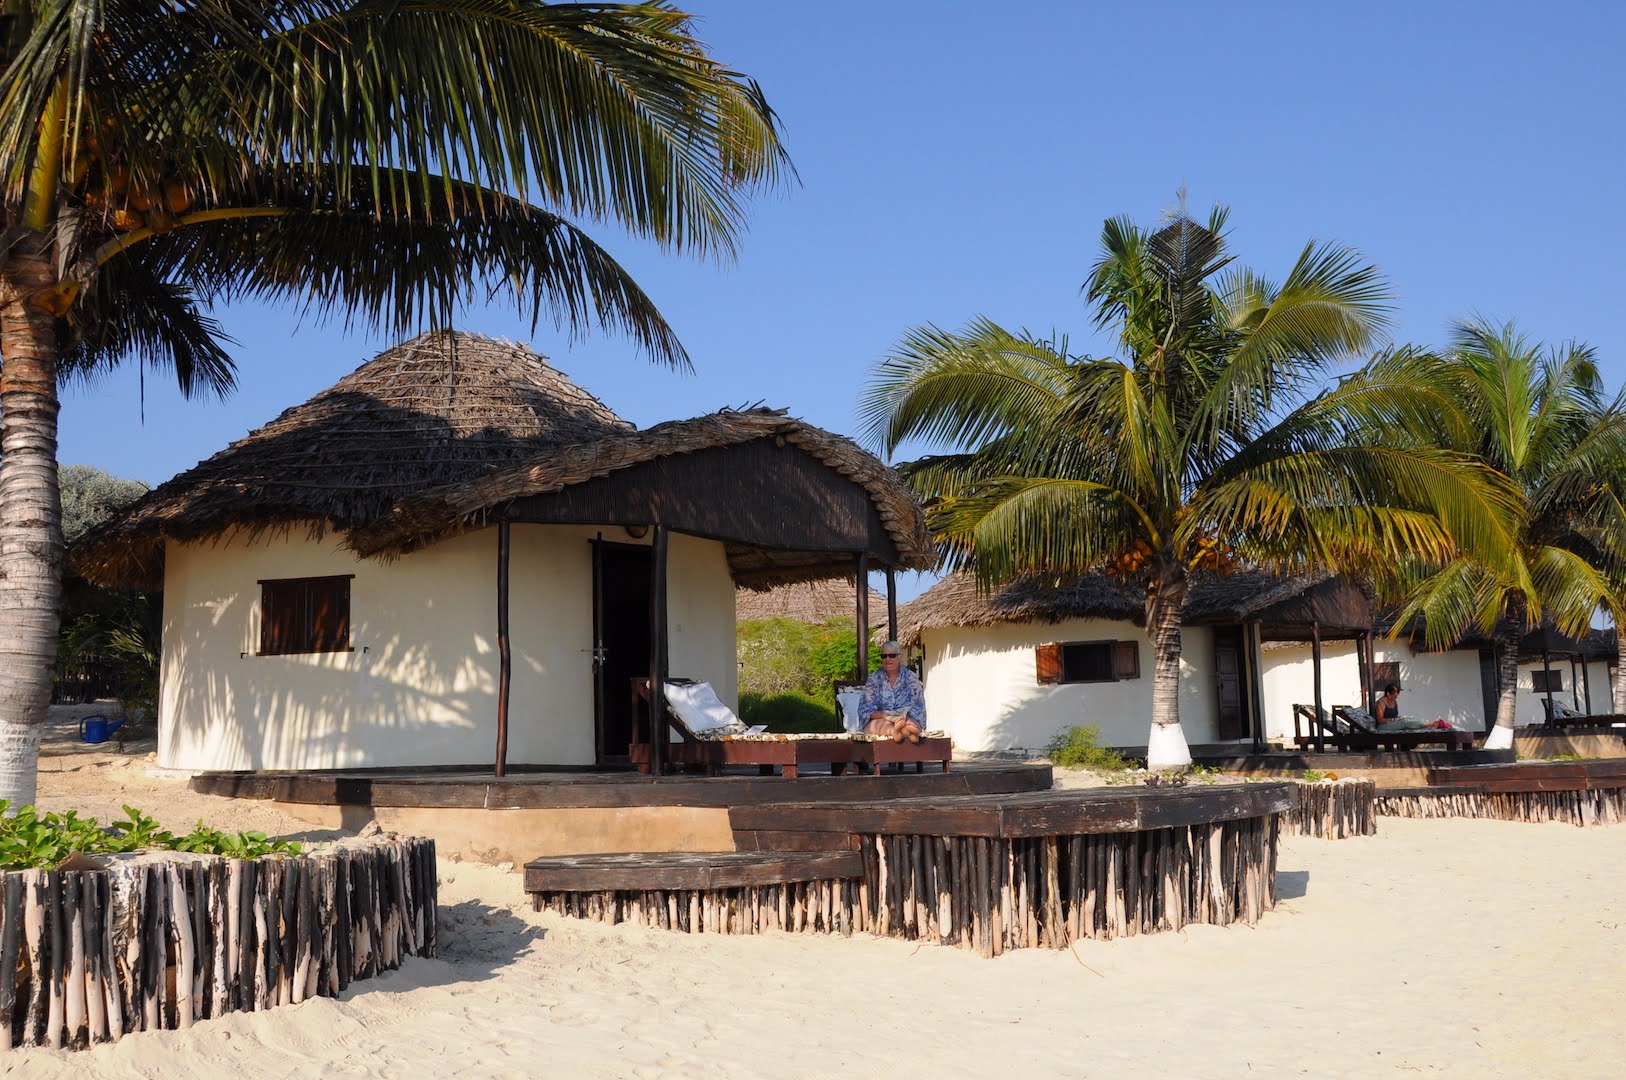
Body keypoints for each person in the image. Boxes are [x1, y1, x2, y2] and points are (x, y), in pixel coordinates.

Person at [858, 640, 926, 743]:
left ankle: (911, 731)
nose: (887, 659)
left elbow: (918, 705)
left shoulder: (911, 678)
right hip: (883, 719)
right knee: (874, 726)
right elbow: (866, 709)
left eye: (892, 655)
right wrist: (886, 716)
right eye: (884, 656)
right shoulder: (874, 679)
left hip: (906, 718)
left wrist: (904, 717)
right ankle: (896, 732)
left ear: (900, 657)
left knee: (910, 723)